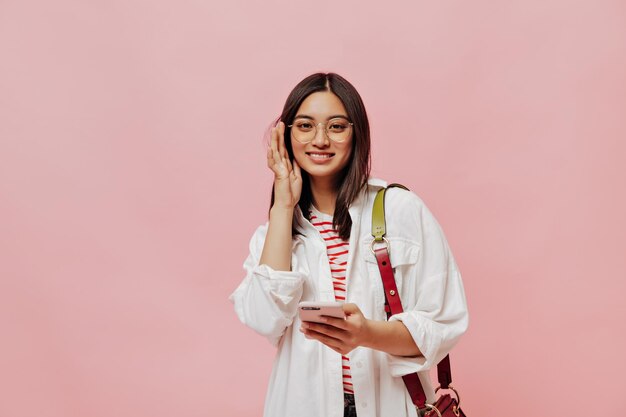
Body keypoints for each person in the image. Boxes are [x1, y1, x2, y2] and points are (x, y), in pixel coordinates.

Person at [230, 73, 469, 417]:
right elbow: (263, 319)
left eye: (337, 126)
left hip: (389, 406)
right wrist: (282, 206)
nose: (321, 139)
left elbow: (443, 325)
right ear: (286, 136)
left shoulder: (401, 210)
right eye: (305, 126)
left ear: (357, 134)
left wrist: (366, 334)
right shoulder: (277, 232)